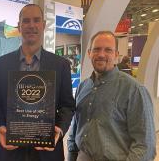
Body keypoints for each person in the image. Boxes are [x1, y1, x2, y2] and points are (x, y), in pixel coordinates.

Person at [0, 4, 75, 161]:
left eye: (36, 20)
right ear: (19, 26)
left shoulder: (61, 65)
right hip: (10, 150)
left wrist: (60, 130)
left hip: (47, 151)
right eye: (26, 21)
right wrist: (0, 127)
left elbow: (67, 105)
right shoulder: (2, 64)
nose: (31, 25)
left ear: (44, 25)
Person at [67, 31, 156, 161]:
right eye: (96, 49)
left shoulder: (134, 90)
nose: (101, 54)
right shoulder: (83, 86)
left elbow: (145, 145)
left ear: (116, 55)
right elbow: (75, 129)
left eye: (108, 50)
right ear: (89, 53)